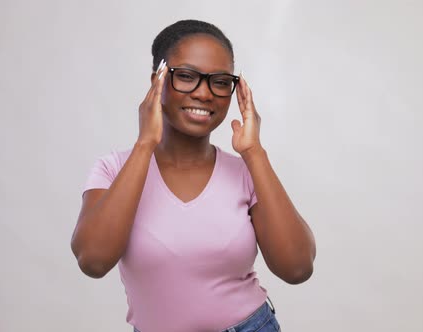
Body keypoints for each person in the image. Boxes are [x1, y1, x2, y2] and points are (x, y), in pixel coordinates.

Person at [71, 19, 316, 332]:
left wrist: (254, 152)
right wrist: (145, 143)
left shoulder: (246, 171)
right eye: (186, 77)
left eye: (220, 81)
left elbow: (297, 268)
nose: (204, 93)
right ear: (156, 81)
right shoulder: (113, 169)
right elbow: (93, 260)